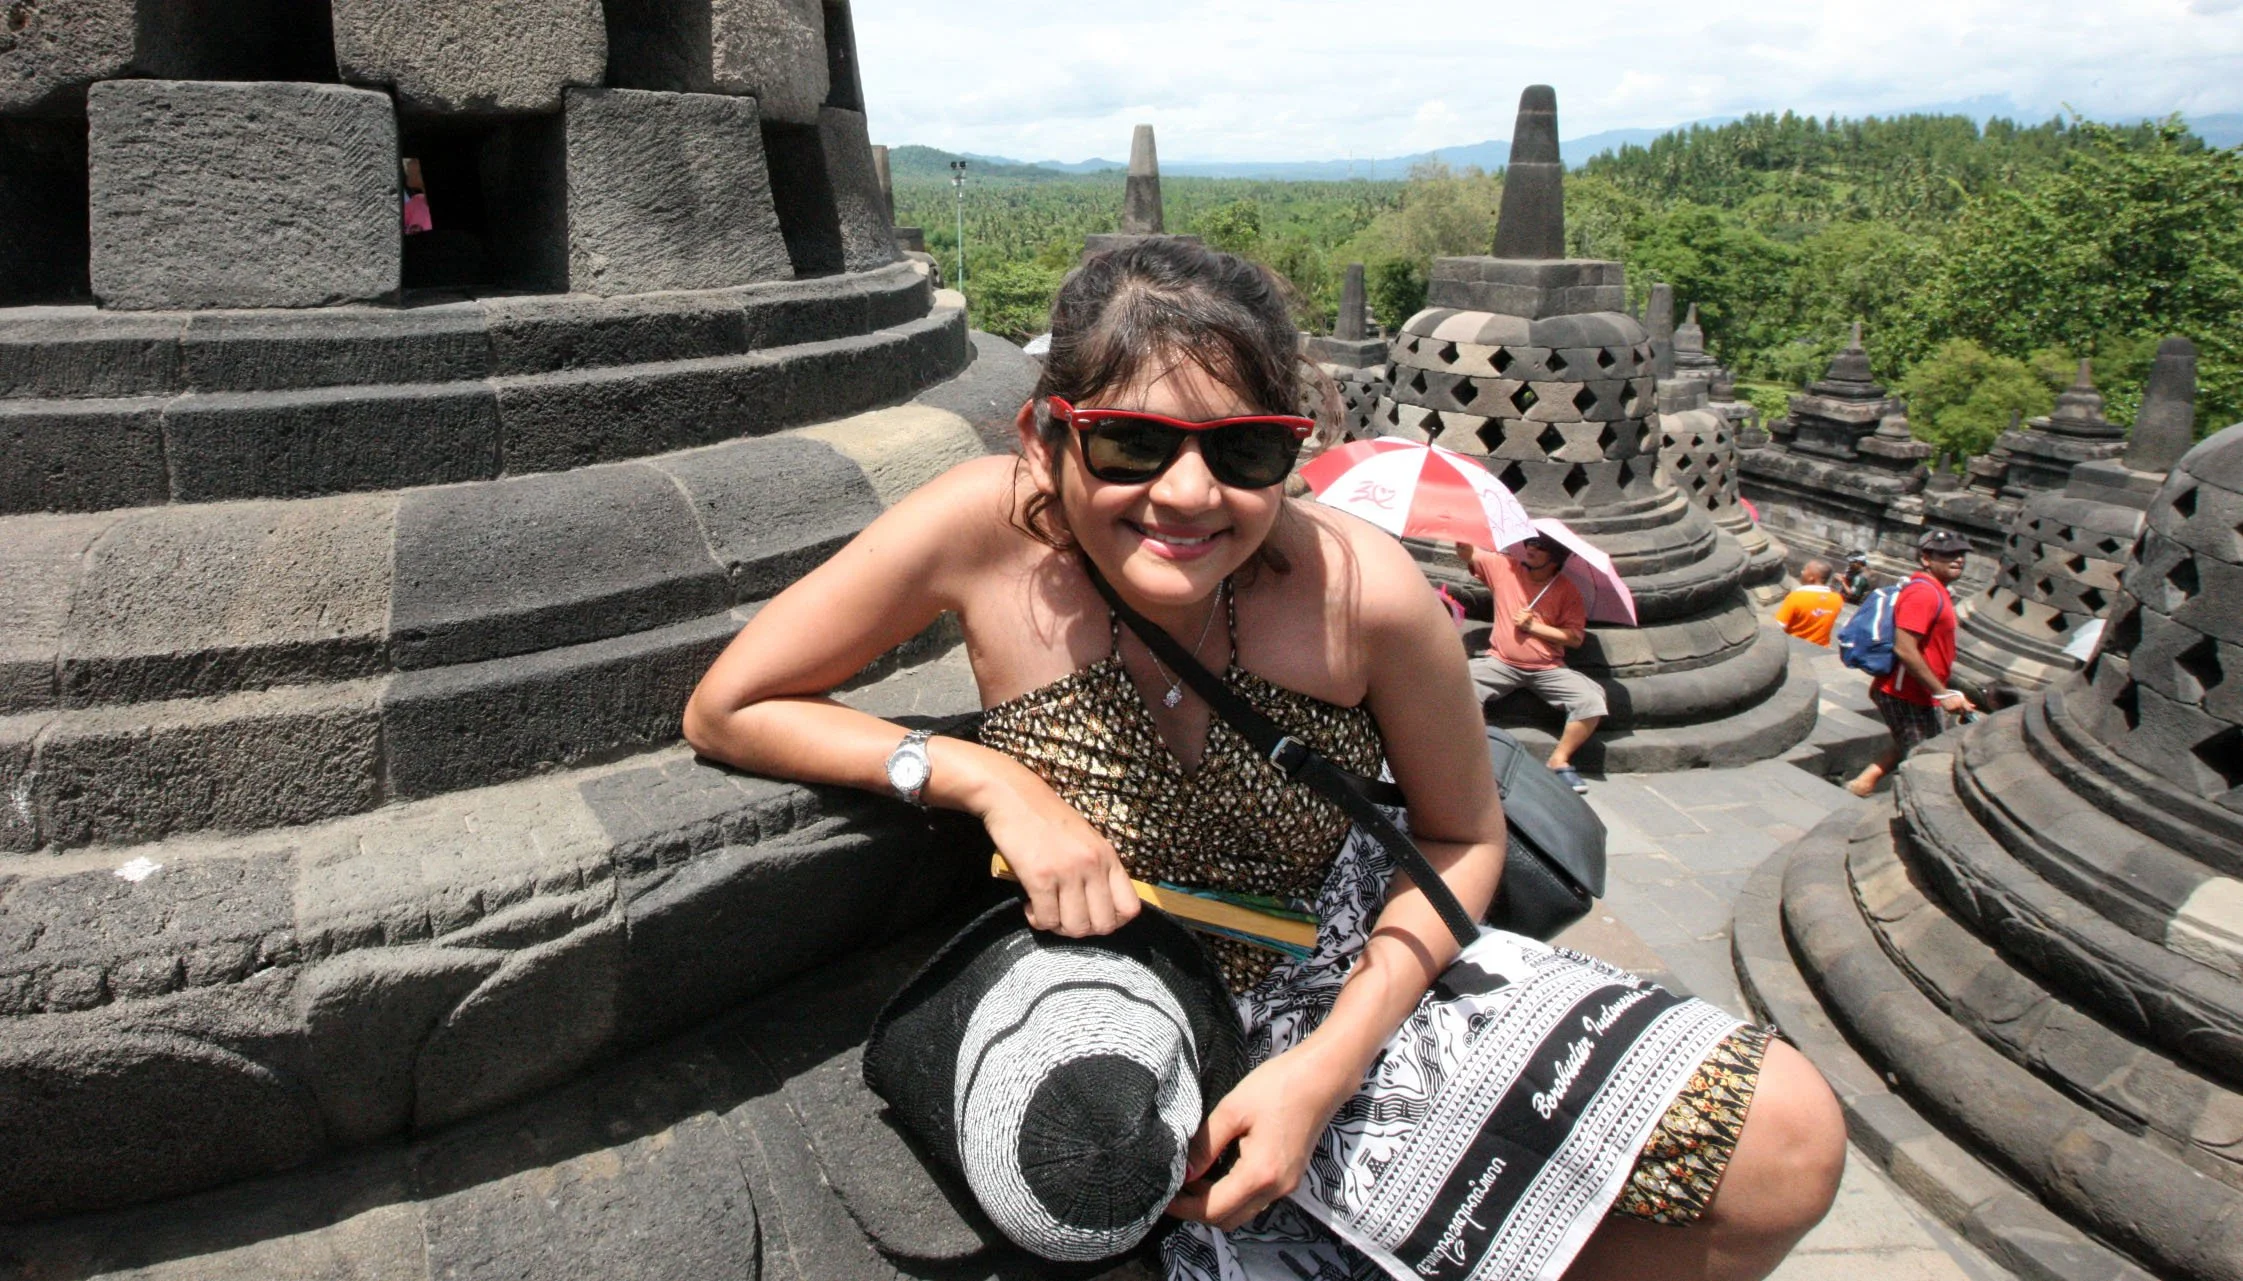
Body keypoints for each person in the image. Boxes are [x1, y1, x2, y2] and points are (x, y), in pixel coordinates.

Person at [683, 239, 1842, 1281]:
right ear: (1048, 437)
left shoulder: (1360, 590)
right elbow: (732, 706)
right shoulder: (978, 531)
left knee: (1783, 1136)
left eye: (1241, 452)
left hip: (1350, 976)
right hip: (1130, 990)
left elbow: (1460, 836)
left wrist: (1327, 1066)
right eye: (1132, 443)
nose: (1186, 496)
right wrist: (992, 780)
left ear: (1291, 450)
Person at [1454, 536, 1606, 794]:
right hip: (1500, 662)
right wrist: (1462, 536)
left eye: (1540, 546)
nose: (1531, 549)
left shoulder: (1566, 590)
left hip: (1547, 668)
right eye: (1530, 543)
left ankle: (1559, 760)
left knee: (1591, 700)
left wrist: (1534, 627)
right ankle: (1476, 756)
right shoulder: (1505, 568)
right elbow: (1469, 552)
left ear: (1555, 558)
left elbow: (1574, 638)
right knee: (1460, 684)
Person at [1847, 529, 1977, 797]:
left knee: (1913, 739)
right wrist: (1941, 692)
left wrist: (1948, 691)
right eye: (1948, 554)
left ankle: (1863, 783)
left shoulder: (1937, 592)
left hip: (1916, 691)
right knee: (1922, 759)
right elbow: (1905, 649)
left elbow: (1931, 650)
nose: (1958, 559)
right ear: (1926, 558)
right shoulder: (1924, 594)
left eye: (1961, 554)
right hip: (1903, 692)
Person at [1773, 560, 1844, 647]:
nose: (1801, 572)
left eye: (1805, 570)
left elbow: (1779, 626)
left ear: (1812, 578)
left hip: (1794, 645)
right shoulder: (1837, 599)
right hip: (1820, 649)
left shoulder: (1796, 597)